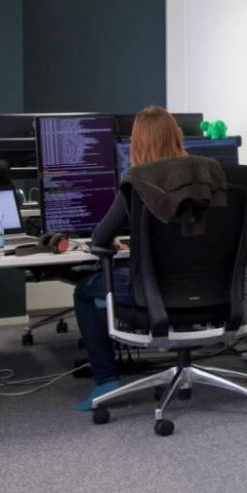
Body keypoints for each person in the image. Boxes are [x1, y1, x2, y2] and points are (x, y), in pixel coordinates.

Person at [72, 106, 187, 410]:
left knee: (85, 291)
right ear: (177, 136)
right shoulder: (204, 180)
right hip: (203, 286)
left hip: (151, 288)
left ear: (137, 144)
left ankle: (106, 380)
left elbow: (100, 238)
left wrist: (119, 244)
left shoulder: (137, 183)